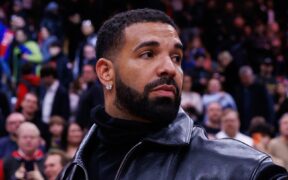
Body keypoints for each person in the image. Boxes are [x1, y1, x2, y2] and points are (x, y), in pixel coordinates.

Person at [60, 9, 287, 179]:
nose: (170, 68)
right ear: (106, 72)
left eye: (176, 57)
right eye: (148, 54)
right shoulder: (73, 172)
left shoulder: (241, 169)